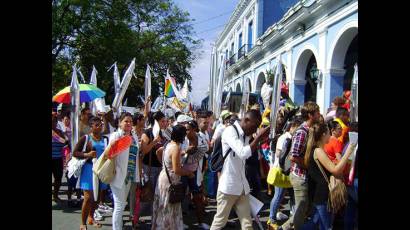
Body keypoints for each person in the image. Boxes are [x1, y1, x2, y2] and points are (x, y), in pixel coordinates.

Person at [210, 110, 270, 230]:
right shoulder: (229, 131)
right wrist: (258, 138)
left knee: (247, 223)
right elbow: (243, 153)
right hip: (228, 187)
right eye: (254, 126)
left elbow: (246, 153)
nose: (254, 130)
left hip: (242, 187)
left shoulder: (244, 135)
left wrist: (259, 141)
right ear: (246, 120)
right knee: (219, 222)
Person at [302, 122, 357, 230]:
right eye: (328, 133)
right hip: (322, 194)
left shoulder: (317, 150)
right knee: (325, 226)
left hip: (319, 194)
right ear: (323, 135)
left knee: (315, 223)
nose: (330, 136)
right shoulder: (318, 151)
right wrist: (349, 151)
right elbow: (335, 170)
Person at [280, 101, 321, 230]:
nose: (319, 115)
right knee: (301, 209)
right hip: (299, 175)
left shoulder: (308, 130)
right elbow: (294, 155)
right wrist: (308, 166)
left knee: (304, 209)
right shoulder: (302, 132)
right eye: (317, 112)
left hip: (303, 175)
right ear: (310, 115)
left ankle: (282, 228)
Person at [151, 125, 195, 230]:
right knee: (168, 206)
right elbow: (177, 170)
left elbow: (158, 152)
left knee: (163, 205)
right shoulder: (176, 148)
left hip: (164, 177)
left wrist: (164, 164)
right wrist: (189, 173)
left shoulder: (168, 144)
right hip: (170, 180)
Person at [73, 116, 109, 229]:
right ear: (91, 127)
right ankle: (82, 223)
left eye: (101, 125)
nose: (99, 127)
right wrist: (87, 155)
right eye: (96, 125)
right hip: (88, 170)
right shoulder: (86, 138)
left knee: (97, 198)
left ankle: (91, 218)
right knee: (88, 198)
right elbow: (75, 153)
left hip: (101, 170)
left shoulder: (105, 139)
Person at [267, 117, 303, 229]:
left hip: (290, 171)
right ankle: (271, 220)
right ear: (292, 127)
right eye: (297, 128)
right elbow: (278, 153)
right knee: (278, 196)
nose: (298, 131)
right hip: (282, 170)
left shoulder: (292, 137)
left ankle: (294, 219)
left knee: (293, 197)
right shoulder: (284, 137)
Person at [108, 112, 139, 230]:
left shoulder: (134, 136)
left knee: (122, 203)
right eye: (126, 121)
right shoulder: (116, 135)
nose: (129, 123)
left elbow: (136, 156)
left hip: (129, 175)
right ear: (120, 123)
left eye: (130, 121)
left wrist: (138, 172)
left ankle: (119, 226)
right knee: (119, 205)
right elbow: (111, 154)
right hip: (118, 174)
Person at [181, 120, 210, 229]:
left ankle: (201, 223)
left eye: (188, 129)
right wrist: (185, 151)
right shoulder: (182, 140)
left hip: (196, 173)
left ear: (194, 130)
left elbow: (207, 151)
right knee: (181, 197)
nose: (186, 131)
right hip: (183, 172)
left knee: (198, 198)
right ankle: (180, 221)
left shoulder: (201, 139)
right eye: (185, 129)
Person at [140, 111, 168, 222]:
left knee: (158, 194)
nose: (165, 123)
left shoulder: (163, 133)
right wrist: (154, 142)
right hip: (149, 167)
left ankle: (155, 218)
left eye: (165, 121)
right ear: (156, 121)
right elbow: (144, 151)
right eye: (162, 121)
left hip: (161, 167)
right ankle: (140, 216)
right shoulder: (148, 133)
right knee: (149, 192)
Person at [128, 113, 145, 227]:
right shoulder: (131, 133)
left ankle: (133, 216)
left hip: (136, 168)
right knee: (128, 194)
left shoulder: (140, 133)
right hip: (126, 168)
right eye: (126, 121)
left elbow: (139, 154)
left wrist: (140, 171)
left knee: (134, 194)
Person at [52, 113, 68, 203]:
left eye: (54, 121)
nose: (53, 123)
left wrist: (57, 135)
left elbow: (64, 142)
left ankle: (55, 195)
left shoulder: (59, 131)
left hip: (58, 158)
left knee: (58, 178)